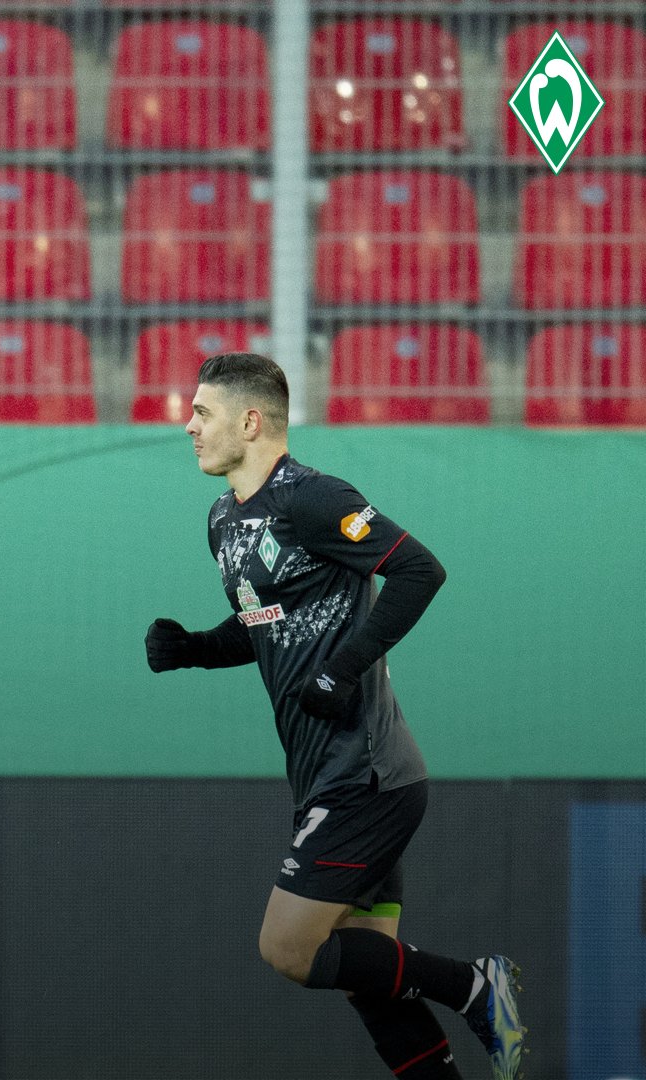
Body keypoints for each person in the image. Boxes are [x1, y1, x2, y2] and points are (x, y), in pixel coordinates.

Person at [145, 354, 524, 1078]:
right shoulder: (224, 517)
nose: (188, 426)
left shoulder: (313, 498)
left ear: (250, 421)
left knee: (287, 950)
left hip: (368, 775)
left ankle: (475, 983)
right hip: (325, 778)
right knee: (368, 979)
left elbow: (421, 571)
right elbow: (263, 623)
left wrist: (338, 671)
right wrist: (196, 648)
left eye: (202, 412)